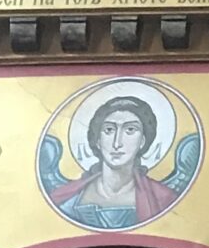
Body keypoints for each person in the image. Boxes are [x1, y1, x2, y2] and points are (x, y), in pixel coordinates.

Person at [42, 92, 195, 227]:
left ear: (142, 141)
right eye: (109, 130)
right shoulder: (67, 197)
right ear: (98, 140)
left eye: (130, 130)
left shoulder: (162, 198)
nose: (117, 143)